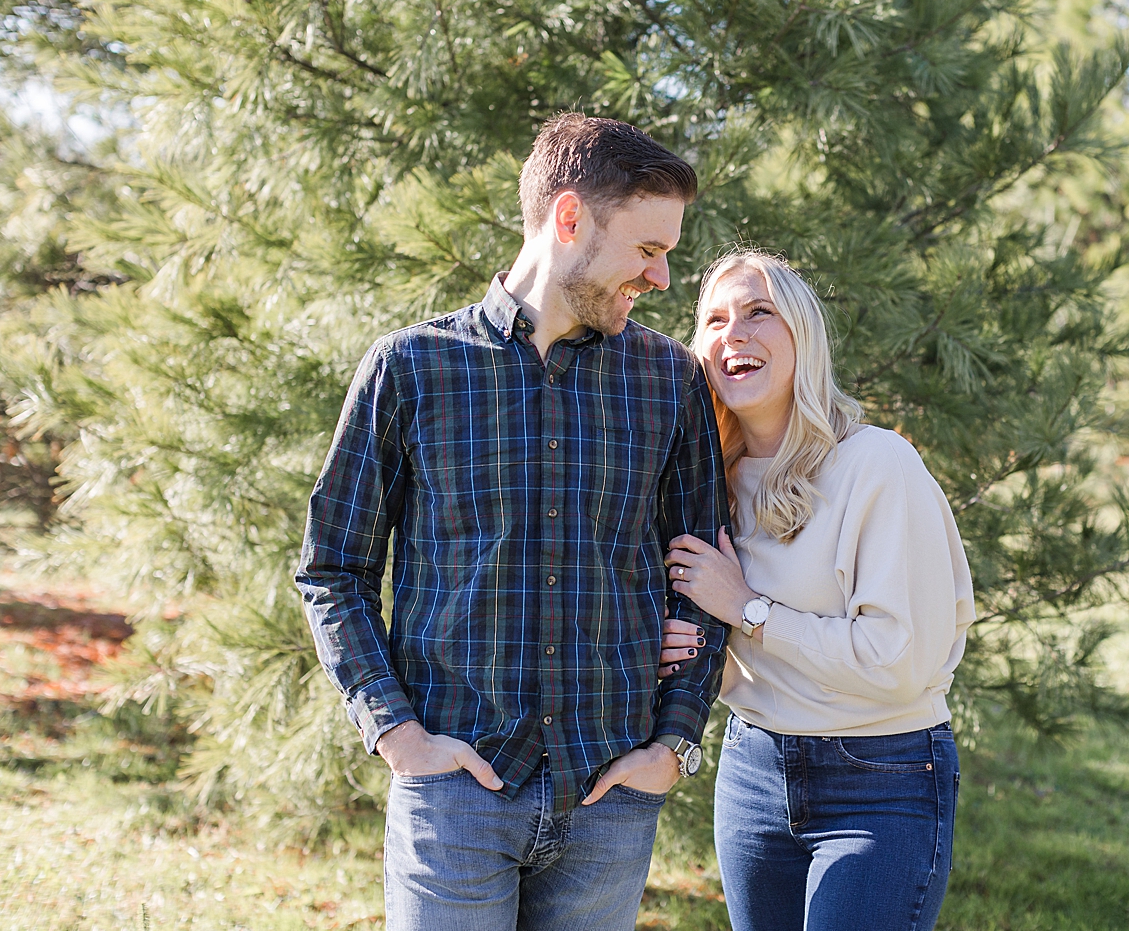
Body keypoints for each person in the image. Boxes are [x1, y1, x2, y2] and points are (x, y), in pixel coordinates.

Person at [295, 113, 731, 931]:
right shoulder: (412, 367)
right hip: (455, 794)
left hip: (612, 800)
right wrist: (397, 735)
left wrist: (670, 748)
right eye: (647, 250)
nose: (664, 278)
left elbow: (705, 570)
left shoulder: (669, 379)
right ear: (570, 220)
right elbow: (332, 569)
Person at [659, 250, 976, 931]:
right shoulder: (708, 482)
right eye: (714, 320)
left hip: (881, 780)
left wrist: (746, 608)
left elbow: (898, 664)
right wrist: (677, 643)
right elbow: (708, 635)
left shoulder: (876, 466)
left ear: (804, 336)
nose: (733, 334)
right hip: (752, 772)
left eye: (758, 312)